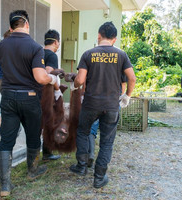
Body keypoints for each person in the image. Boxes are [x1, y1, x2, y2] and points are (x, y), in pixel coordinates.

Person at [0, 10, 57, 197]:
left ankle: (5, 185)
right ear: (27, 25)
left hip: (7, 98)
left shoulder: (0, 46)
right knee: (33, 136)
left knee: (7, 140)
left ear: (10, 27)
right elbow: (40, 77)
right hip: (30, 98)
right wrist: (53, 79)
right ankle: (32, 171)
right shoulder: (35, 47)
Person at [68, 22, 136, 188]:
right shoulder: (121, 55)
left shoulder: (88, 54)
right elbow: (132, 78)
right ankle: (99, 177)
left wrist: (75, 84)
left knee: (83, 132)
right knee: (107, 141)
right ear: (114, 39)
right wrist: (126, 96)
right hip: (112, 105)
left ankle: (82, 167)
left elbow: (80, 79)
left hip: (91, 104)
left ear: (98, 36)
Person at [87, 76, 127, 168]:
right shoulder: (121, 62)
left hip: (96, 100)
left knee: (91, 129)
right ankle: (101, 168)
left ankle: (90, 154)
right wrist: (122, 97)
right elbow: (124, 83)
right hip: (113, 102)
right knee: (108, 135)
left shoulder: (96, 62)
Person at [41, 29, 62, 161]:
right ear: (55, 42)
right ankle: (47, 154)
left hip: (34, 92)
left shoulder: (37, 53)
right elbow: (48, 73)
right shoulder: (52, 55)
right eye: (58, 42)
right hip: (46, 94)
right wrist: (57, 88)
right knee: (49, 123)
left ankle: (34, 157)